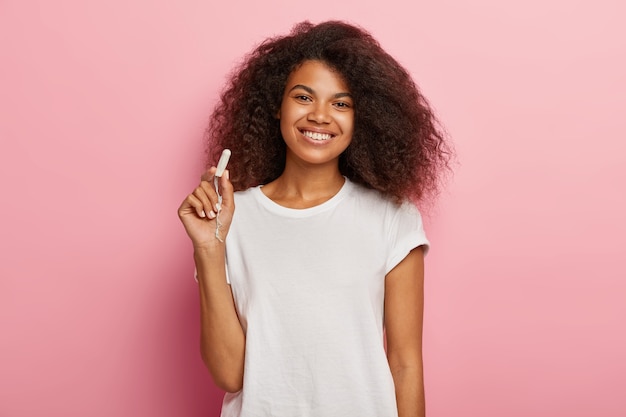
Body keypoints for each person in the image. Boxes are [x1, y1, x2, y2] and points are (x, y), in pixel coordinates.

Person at [178, 20, 451, 417]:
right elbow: (229, 374)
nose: (320, 116)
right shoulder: (230, 218)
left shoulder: (392, 218)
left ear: (364, 118)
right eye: (304, 97)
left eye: (341, 104)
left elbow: (406, 365)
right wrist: (208, 247)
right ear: (277, 104)